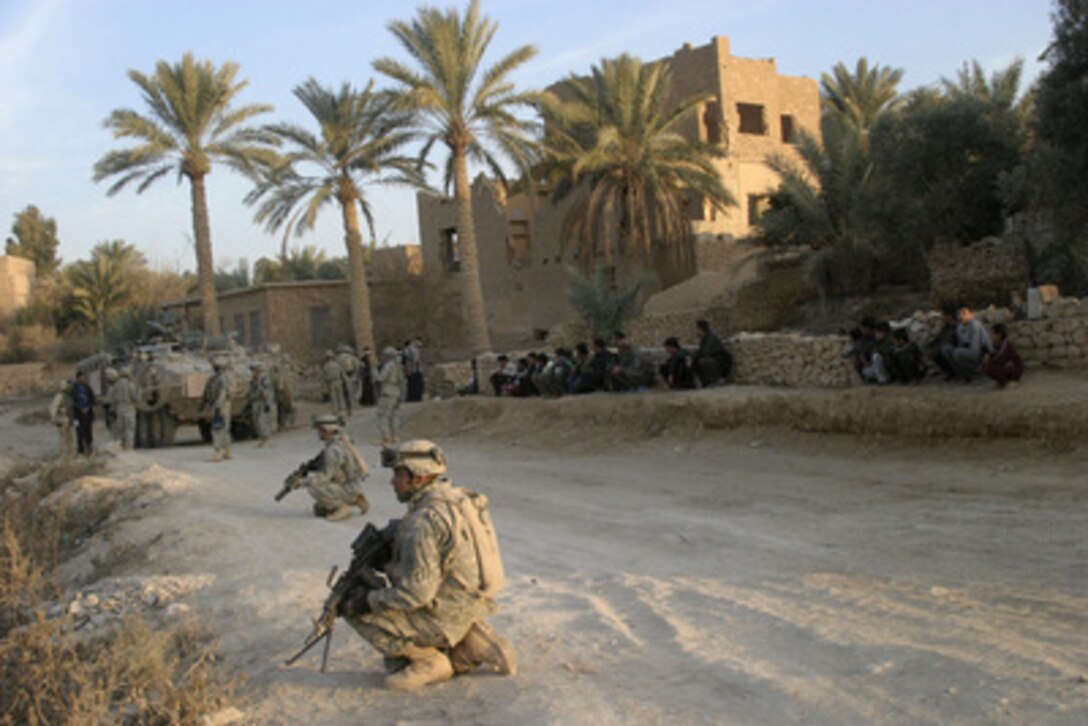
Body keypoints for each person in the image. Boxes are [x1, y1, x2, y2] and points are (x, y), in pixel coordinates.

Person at [342, 439, 516, 690]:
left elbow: (416, 593)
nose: (393, 482)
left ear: (419, 477)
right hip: (470, 601)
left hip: (445, 611)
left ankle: (429, 661)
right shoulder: (458, 499)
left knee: (352, 606)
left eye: (399, 474)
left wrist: (367, 600)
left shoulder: (422, 522)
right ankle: (474, 643)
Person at [297, 415, 370, 521]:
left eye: (320, 430)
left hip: (348, 488)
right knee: (319, 509)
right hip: (353, 486)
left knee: (313, 487)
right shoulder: (344, 440)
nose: (318, 433)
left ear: (327, 430)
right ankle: (357, 500)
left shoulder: (333, 450)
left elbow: (326, 476)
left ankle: (342, 508)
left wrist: (303, 482)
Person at [939, 305, 993, 382]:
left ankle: (971, 372)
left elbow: (976, 348)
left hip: (979, 354)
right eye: (960, 314)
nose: (961, 316)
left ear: (971, 314)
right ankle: (961, 374)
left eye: (964, 313)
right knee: (946, 348)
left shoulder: (974, 325)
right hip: (966, 352)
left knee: (958, 353)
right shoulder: (960, 327)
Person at [201, 356, 233, 462]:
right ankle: (227, 451)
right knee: (224, 429)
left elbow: (222, 394)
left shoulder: (221, 379)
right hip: (223, 405)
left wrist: (218, 407)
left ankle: (217, 452)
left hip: (220, 406)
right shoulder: (222, 377)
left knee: (217, 429)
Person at [377, 346, 406, 447]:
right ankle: (395, 436)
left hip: (387, 392)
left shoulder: (388, 366)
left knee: (383, 416)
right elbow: (402, 381)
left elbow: (381, 378)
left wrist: (375, 374)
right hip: (396, 392)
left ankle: (386, 438)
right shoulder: (399, 366)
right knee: (394, 416)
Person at [105, 367, 139, 450]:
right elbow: (136, 398)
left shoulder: (115, 386)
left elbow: (110, 399)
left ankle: (120, 446)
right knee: (129, 429)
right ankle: (129, 447)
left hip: (119, 409)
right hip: (129, 409)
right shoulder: (131, 385)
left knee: (120, 429)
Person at [982, 323, 1024, 388]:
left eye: (993, 334)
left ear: (999, 335)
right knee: (986, 366)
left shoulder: (1006, 346)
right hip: (1003, 366)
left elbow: (1003, 359)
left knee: (991, 368)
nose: (991, 336)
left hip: (1013, 370)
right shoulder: (996, 345)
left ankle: (1009, 381)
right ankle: (1002, 381)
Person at [693, 320, 732, 386]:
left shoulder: (711, 338)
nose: (696, 332)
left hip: (721, 363)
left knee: (703, 362)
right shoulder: (704, 339)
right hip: (714, 360)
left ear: (701, 329)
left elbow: (706, 352)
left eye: (697, 329)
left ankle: (718, 379)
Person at [246, 363, 277, 447]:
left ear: (258, 370)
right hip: (255, 402)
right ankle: (262, 439)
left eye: (254, 370)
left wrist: (268, 404)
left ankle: (267, 439)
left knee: (263, 421)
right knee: (257, 421)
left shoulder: (264, 379)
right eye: (252, 370)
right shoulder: (253, 380)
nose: (253, 372)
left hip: (263, 402)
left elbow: (269, 392)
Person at [71, 370, 96, 457]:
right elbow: (72, 401)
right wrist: (80, 408)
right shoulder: (74, 388)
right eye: (81, 377)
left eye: (84, 377)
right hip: (77, 415)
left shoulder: (88, 388)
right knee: (79, 432)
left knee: (88, 431)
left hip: (88, 414)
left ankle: (89, 448)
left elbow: (93, 399)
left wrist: (87, 407)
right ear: (77, 378)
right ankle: (80, 450)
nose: (83, 379)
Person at [49, 379, 76, 460]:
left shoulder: (69, 397)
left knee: (70, 437)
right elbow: (53, 408)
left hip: (70, 419)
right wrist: (55, 418)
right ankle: (63, 455)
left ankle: (71, 454)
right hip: (62, 419)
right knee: (63, 438)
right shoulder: (58, 397)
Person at [861, 321, 894, 385]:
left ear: (882, 333)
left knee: (876, 356)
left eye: (877, 332)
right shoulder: (878, 342)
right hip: (882, 366)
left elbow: (885, 353)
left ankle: (883, 380)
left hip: (889, 365)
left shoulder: (890, 340)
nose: (876, 335)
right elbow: (873, 351)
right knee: (866, 371)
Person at [323, 350, 348, 418]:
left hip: (331, 383)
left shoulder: (326, 366)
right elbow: (342, 374)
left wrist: (325, 385)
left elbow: (324, 377)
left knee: (333, 397)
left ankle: (335, 411)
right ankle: (342, 410)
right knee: (340, 396)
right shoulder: (337, 365)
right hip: (339, 381)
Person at [338, 344, 360, 416]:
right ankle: (351, 407)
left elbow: (339, 368)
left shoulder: (339, 358)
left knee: (345, 393)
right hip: (349, 375)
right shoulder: (352, 358)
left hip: (344, 376)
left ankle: (347, 407)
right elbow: (357, 367)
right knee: (350, 392)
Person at [404, 337, 425, 403]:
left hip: (413, 370)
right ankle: (415, 397)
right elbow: (415, 360)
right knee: (415, 385)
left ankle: (413, 397)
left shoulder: (411, 349)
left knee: (413, 385)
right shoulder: (412, 349)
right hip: (414, 370)